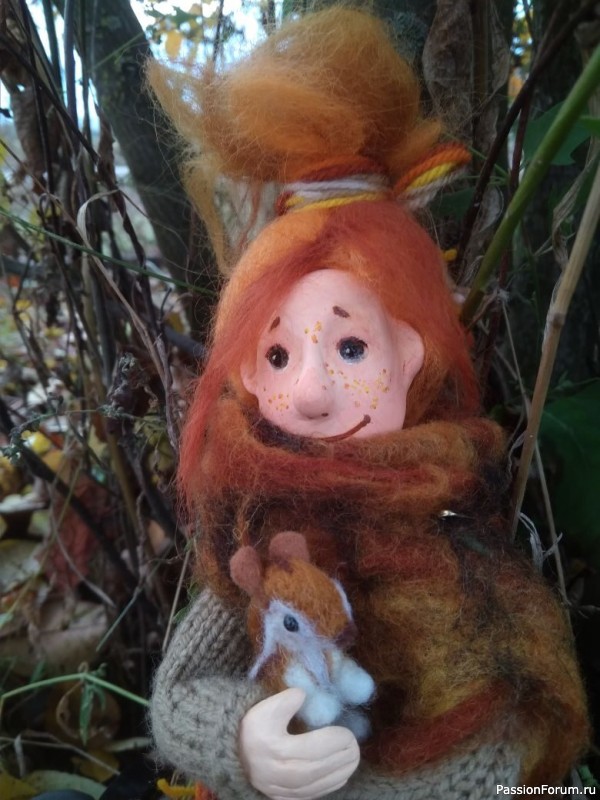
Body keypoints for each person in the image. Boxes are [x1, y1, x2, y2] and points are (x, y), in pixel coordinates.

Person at [147, 8, 588, 799]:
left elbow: (514, 724)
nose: (310, 391)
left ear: (411, 354)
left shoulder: (453, 523)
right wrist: (243, 741)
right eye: (277, 355)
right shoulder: (253, 527)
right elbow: (179, 694)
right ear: (244, 371)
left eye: (350, 348)